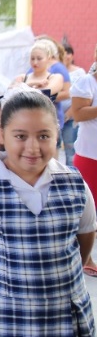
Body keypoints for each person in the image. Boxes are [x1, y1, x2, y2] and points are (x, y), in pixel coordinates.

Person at [0, 90, 97, 337]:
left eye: (43, 136)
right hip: (2, 318)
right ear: (1, 135)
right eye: (20, 136)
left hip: (62, 316)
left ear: (57, 134)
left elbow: (84, 238)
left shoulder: (74, 182)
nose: (33, 147)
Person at [70, 48, 97, 274]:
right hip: (90, 156)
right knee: (89, 210)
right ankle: (87, 258)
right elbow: (78, 114)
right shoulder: (87, 82)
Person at [62, 41, 86, 166]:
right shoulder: (55, 72)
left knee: (70, 150)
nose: (65, 56)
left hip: (71, 119)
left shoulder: (79, 72)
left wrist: (69, 113)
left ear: (72, 55)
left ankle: (71, 174)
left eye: (68, 53)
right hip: (56, 117)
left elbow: (82, 96)